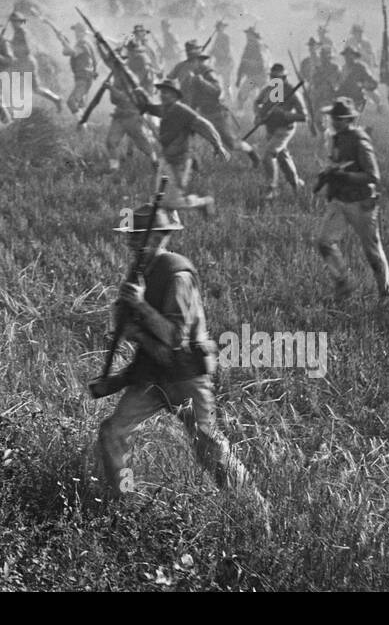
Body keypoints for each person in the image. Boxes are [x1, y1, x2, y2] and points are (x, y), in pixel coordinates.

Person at [89, 204, 265, 514]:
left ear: (159, 236)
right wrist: (127, 322)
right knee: (113, 433)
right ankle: (125, 502)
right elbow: (130, 328)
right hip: (151, 374)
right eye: (129, 236)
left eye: (137, 236)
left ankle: (255, 511)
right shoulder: (140, 274)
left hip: (185, 375)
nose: (130, 242)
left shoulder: (177, 274)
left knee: (208, 447)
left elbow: (174, 338)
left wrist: (140, 307)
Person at [315, 98, 389, 304]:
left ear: (349, 119)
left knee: (372, 253)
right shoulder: (336, 138)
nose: (334, 121)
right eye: (333, 118)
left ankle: (386, 294)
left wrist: (345, 176)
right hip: (340, 201)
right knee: (324, 242)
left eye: (338, 118)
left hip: (361, 202)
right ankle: (343, 281)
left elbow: (373, 176)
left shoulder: (360, 140)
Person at [141, 79, 227, 210]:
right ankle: (170, 226)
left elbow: (205, 125)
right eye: (162, 92)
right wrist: (139, 97)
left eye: (167, 93)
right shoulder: (166, 108)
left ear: (175, 96)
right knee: (160, 199)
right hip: (166, 159)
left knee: (172, 202)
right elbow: (151, 108)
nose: (163, 95)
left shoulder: (182, 111)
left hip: (179, 162)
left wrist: (218, 145)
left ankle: (204, 203)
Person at [252, 63, 308, 197]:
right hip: (271, 129)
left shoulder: (292, 92)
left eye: (278, 78)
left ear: (284, 78)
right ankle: (296, 185)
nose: (275, 81)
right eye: (272, 78)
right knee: (283, 159)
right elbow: (257, 103)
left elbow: (304, 116)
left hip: (284, 129)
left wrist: (285, 115)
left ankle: (271, 188)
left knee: (268, 155)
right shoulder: (268, 90)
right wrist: (259, 115)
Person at [105, 50, 157, 172]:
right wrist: (111, 89)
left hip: (132, 115)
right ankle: (114, 169)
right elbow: (114, 100)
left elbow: (127, 97)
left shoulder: (130, 76)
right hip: (119, 114)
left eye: (116, 61)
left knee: (143, 144)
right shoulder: (116, 76)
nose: (114, 64)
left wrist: (110, 88)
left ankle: (155, 162)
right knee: (111, 142)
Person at [9, 12, 62, 112]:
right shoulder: (18, 32)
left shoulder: (21, 32)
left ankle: (56, 99)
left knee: (36, 88)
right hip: (23, 62)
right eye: (12, 21)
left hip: (26, 62)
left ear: (20, 22)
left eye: (15, 22)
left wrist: (14, 49)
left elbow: (27, 49)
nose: (13, 24)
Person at [63, 23, 97, 114]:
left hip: (83, 78)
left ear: (83, 33)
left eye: (77, 31)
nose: (75, 34)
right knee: (80, 105)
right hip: (86, 77)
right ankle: (82, 125)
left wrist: (64, 44)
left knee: (72, 102)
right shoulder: (87, 43)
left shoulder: (82, 43)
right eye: (75, 31)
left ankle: (83, 127)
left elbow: (71, 52)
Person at [235, 26, 267, 109]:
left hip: (258, 77)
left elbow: (263, 63)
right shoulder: (252, 46)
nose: (247, 36)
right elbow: (243, 63)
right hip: (255, 77)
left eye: (249, 35)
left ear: (253, 36)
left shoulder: (259, 46)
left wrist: (239, 77)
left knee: (262, 98)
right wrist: (239, 77)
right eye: (247, 35)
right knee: (243, 95)